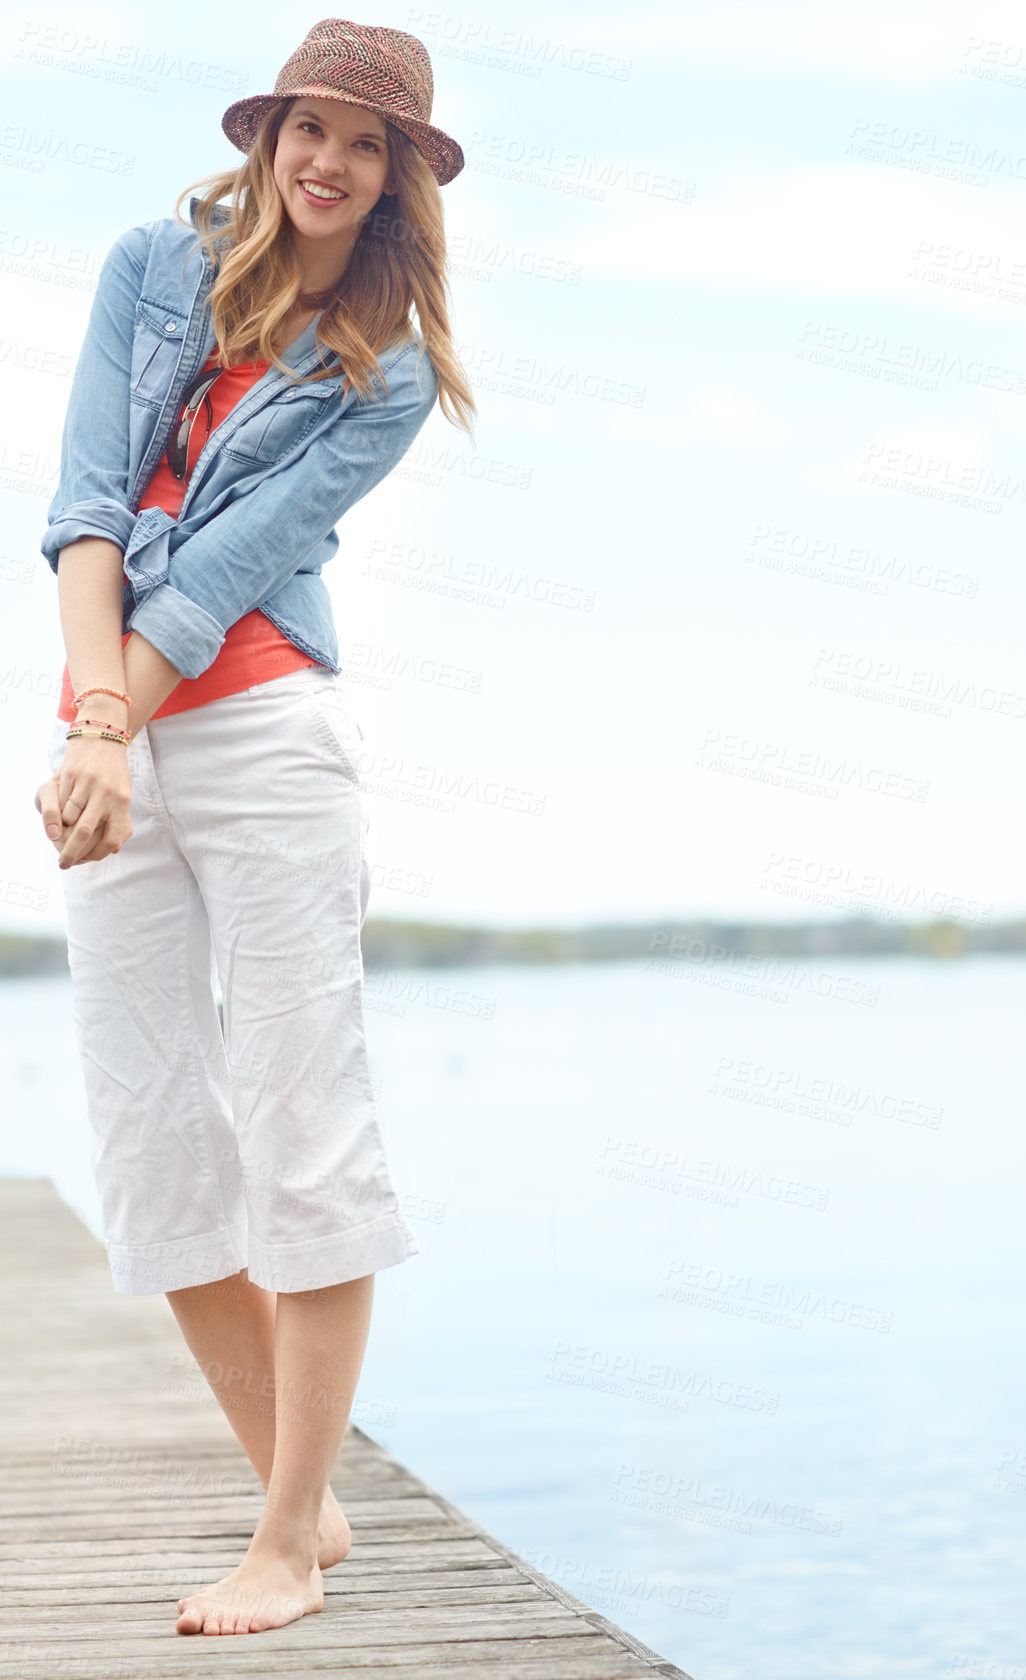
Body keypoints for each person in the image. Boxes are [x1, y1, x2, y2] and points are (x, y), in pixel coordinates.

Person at [31, 19, 474, 1639]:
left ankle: (284, 1540)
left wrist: (108, 726)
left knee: (302, 1120)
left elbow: (219, 573)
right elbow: (89, 504)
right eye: (311, 129)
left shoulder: (389, 367)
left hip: (263, 734)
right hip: (120, 737)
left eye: (366, 147)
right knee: (152, 1144)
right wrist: (96, 732)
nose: (328, 164)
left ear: (401, 181)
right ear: (268, 131)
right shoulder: (154, 264)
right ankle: (311, 1496)